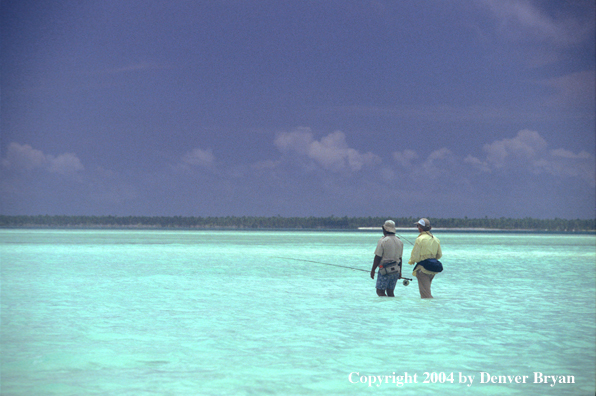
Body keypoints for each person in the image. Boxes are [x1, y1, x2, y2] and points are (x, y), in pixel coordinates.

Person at [408, 218, 442, 298]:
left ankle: (428, 309)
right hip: (433, 269)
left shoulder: (420, 239)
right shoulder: (436, 239)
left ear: (420, 228)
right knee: (427, 291)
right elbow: (439, 255)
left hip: (423, 270)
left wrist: (411, 261)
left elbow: (415, 256)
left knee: (425, 295)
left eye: (417, 226)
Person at [370, 220, 404, 297]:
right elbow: (400, 259)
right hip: (396, 270)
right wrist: (400, 272)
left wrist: (373, 270)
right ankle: (392, 307)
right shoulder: (400, 241)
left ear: (384, 229)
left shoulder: (383, 241)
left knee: (380, 291)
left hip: (385, 270)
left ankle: (384, 307)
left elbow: (377, 257)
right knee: (390, 292)